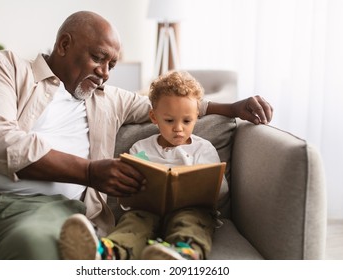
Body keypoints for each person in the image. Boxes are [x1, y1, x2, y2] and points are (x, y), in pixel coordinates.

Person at [0, 11, 273, 260]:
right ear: (64, 45)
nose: (106, 72)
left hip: (45, 208)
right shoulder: (6, 68)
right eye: (98, 58)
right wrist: (90, 171)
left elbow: (167, 105)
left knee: (32, 248)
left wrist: (231, 107)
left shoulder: (110, 99)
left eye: (112, 64)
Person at [59, 70, 227, 260]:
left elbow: (221, 190)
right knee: (133, 223)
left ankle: (181, 256)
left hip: (191, 210)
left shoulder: (203, 149)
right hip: (147, 210)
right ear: (154, 118)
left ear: (197, 116)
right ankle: (108, 253)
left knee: (192, 223)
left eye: (187, 121)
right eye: (169, 120)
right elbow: (126, 192)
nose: (178, 128)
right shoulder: (141, 148)